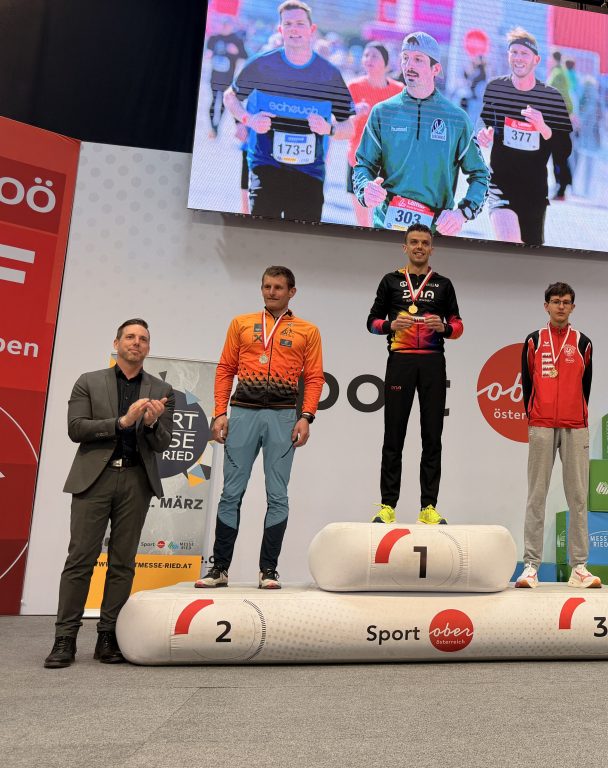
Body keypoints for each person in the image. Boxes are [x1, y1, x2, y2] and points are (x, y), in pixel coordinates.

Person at [44, 320, 174, 668]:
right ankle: (64, 638)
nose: (136, 342)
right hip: (94, 480)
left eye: (143, 339)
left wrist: (150, 423)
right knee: (80, 560)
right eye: (130, 337)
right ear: (116, 343)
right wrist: (122, 422)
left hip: (136, 481)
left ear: (148, 348)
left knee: (122, 563)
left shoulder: (162, 389)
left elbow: (163, 443)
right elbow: (76, 429)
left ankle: (108, 636)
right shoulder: (88, 381)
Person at [196, 266, 324, 590]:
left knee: (277, 495)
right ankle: (219, 569)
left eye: (278, 287)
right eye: (267, 286)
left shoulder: (308, 331)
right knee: (231, 493)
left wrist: (306, 416)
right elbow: (225, 368)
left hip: (283, 417)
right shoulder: (241, 323)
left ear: (292, 292)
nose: (271, 292)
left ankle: (269, 570)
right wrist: (219, 413)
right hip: (242, 414)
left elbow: (314, 377)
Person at [222, 1, 354, 222]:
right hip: (266, 166)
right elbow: (230, 96)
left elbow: (348, 128)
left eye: (300, 23)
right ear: (280, 29)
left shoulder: (329, 74)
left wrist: (329, 129)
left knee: (300, 238)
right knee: (262, 234)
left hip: (309, 174)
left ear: (312, 29)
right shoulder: (262, 64)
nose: (294, 29)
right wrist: (249, 119)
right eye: (288, 24)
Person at [367, 224, 463, 524]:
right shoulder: (390, 281)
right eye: (414, 242)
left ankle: (428, 507)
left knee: (432, 437)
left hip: (433, 363)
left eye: (424, 242)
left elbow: (458, 326)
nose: (419, 247)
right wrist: (389, 325)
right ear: (404, 247)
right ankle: (387, 506)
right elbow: (371, 322)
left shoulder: (444, 284)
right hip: (401, 362)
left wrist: (444, 328)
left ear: (432, 248)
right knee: (393, 435)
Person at [353, 31, 489, 235]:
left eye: (418, 59)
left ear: (436, 69)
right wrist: (366, 188)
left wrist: (461, 214)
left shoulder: (456, 119)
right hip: (385, 227)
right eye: (405, 58)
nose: (409, 65)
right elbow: (363, 166)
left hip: (433, 234)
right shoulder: (383, 112)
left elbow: (480, 175)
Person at [515, 282, 599, 589]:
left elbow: (585, 386)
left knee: (578, 497)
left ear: (573, 307)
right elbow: (527, 382)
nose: (560, 306)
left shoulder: (583, 342)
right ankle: (531, 566)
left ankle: (579, 567)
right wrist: (536, 413)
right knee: (536, 495)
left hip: (575, 425)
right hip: (541, 423)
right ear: (546, 306)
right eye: (555, 301)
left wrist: (575, 412)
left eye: (565, 302)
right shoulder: (534, 340)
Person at [476, 28, 572, 246]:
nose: (518, 58)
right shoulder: (496, 88)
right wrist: (484, 132)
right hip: (500, 184)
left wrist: (543, 127)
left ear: (536, 60)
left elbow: (564, 147)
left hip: (534, 191)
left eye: (524, 53)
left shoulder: (551, 97)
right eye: (514, 52)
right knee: (509, 241)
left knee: (528, 254)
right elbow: (483, 120)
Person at [346, 42, 403, 228]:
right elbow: (340, 123)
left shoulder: (399, 91)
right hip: (358, 160)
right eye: (366, 55)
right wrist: (354, 113)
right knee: (363, 221)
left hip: (389, 163)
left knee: (386, 217)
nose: (369, 59)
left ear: (386, 64)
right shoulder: (353, 87)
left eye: (375, 56)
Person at [205, 18, 248, 138]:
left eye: (227, 25)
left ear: (231, 27)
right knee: (214, 101)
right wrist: (209, 53)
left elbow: (245, 55)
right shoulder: (214, 38)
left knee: (223, 103)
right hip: (215, 76)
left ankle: (217, 126)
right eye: (223, 25)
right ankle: (213, 127)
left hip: (228, 78)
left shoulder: (236, 40)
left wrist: (236, 51)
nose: (225, 27)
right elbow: (208, 50)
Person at [545, 51, 574, 200]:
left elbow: (559, 97)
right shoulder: (561, 73)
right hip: (560, 120)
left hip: (557, 120)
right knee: (560, 155)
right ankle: (562, 187)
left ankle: (561, 188)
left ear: (553, 58)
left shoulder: (557, 74)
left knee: (558, 155)